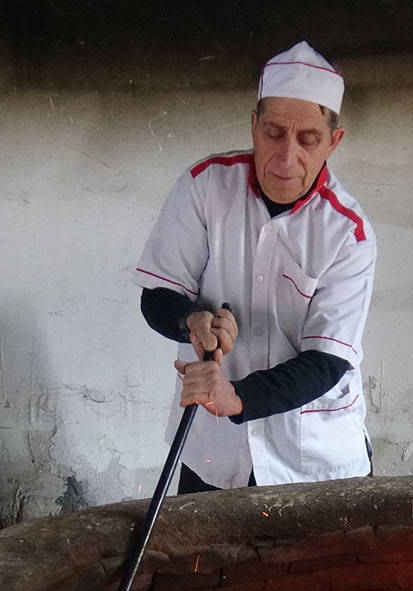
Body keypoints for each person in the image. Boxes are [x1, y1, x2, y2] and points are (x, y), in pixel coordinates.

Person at [133, 40, 376, 493]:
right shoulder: (204, 188)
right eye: (273, 133)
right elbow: (156, 297)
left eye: (308, 140)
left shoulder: (349, 232)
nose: (287, 158)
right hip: (213, 451)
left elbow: (326, 361)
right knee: (202, 565)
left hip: (315, 457)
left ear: (333, 142)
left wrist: (238, 397)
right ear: (252, 126)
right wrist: (192, 321)